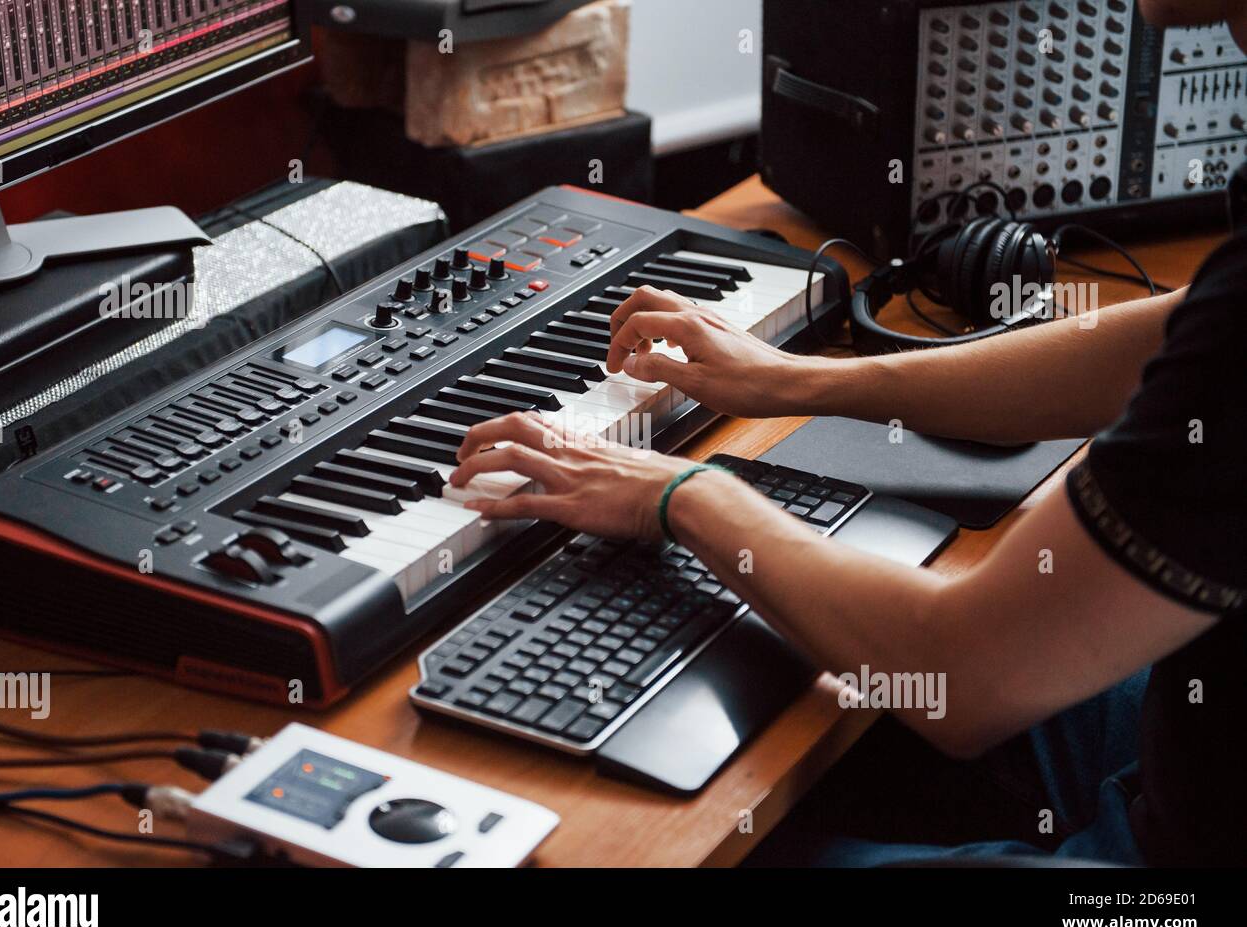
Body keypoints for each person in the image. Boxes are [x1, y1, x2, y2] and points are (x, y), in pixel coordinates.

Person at [448, 0, 1247, 868]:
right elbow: (1160, 341)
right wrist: (798, 381)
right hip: (1175, 753)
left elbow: (963, 676)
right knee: (817, 722)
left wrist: (682, 494)